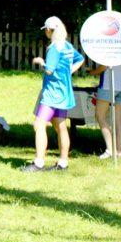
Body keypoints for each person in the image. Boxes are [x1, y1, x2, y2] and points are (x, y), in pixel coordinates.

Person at [21, 16, 85, 172]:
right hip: (64, 92)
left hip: (51, 93)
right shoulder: (68, 47)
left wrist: (40, 61)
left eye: (46, 30)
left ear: (49, 30)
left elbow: (49, 70)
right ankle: (63, 163)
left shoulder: (54, 48)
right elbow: (81, 59)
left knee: (39, 124)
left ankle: (39, 163)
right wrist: (69, 71)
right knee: (61, 127)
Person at [88, 56, 121, 159]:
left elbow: (103, 68)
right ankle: (119, 152)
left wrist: (91, 73)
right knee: (118, 120)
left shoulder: (109, 52)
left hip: (107, 87)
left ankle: (109, 150)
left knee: (100, 116)